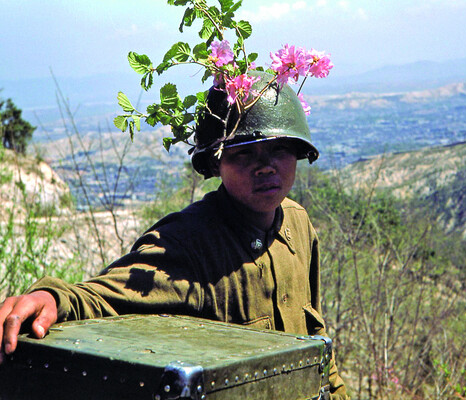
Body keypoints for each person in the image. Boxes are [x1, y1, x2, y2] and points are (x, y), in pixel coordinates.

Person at [0, 75, 350, 399]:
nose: (266, 166)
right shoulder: (187, 241)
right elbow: (107, 295)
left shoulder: (298, 225)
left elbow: (318, 349)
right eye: (244, 152)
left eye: (280, 149)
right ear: (216, 164)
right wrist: (51, 298)